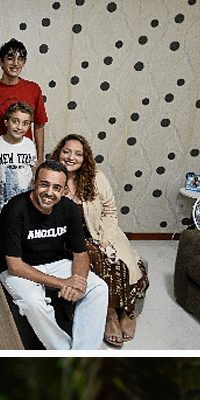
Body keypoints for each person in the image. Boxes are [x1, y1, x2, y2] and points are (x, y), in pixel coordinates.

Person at [0, 159, 108, 350]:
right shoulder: (14, 209)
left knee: (98, 288)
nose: (49, 192)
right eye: (44, 184)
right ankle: (63, 352)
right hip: (20, 268)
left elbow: (80, 253)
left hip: (56, 262)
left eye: (57, 188)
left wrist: (77, 280)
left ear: (64, 190)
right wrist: (63, 283)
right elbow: (14, 265)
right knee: (34, 302)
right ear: (34, 183)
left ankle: (84, 354)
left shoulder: (69, 209)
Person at [51, 134, 149, 347]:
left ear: (84, 158)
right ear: (59, 153)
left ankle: (128, 313)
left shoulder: (96, 178)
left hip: (102, 231)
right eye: (66, 151)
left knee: (124, 262)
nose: (71, 157)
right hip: (69, 238)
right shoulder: (52, 178)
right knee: (94, 257)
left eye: (78, 154)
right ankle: (110, 314)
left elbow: (110, 210)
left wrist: (105, 239)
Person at [0, 101, 37, 261]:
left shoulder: (29, 145)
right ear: (6, 122)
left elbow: (34, 174)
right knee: (0, 248)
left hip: (25, 209)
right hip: (1, 209)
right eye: (15, 121)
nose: (19, 127)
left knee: (22, 247)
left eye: (25, 123)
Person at [0, 40, 47, 161]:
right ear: (0, 61)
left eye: (20, 59)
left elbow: (39, 125)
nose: (16, 63)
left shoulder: (33, 89)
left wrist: (39, 159)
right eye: (10, 58)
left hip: (24, 158)